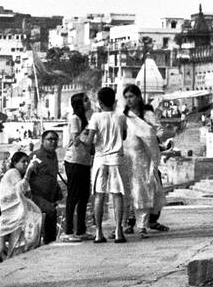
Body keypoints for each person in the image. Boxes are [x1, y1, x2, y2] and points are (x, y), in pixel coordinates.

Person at [120, 84, 165, 236]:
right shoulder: (124, 116)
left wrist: (150, 137)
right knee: (128, 191)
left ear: (138, 97)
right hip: (127, 157)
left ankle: (143, 226)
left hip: (143, 158)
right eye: (126, 97)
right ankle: (128, 223)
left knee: (143, 190)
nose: (128, 100)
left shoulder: (147, 114)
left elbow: (159, 131)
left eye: (131, 96)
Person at [88, 87, 128, 243]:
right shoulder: (121, 117)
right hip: (116, 159)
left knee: (99, 195)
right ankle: (118, 230)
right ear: (114, 101)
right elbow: (123, 136)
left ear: (99, 102)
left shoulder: (96, 117)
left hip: (100, 159)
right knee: (117, 194)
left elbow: (90, 140)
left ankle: (98, 232)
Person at [62, 93, 94, 241]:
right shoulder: (75, 119)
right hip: (74, 161)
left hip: (84, 161)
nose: (89, 102)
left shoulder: (85, 119)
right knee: (73, 196)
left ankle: (81, 229)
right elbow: (75, 140)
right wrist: (88, 134)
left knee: (84, 196)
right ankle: (68, 231)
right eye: (85, 100)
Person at [25, 129, 64, 246]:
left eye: (55, 139)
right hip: (35, 195)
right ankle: (48, 243)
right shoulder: (35, 155)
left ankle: (49, 242)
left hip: (49, 195)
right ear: (42, 141)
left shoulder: (54, 155)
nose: (53, 142)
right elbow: (25, 175)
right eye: (49, 139)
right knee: (51, 211)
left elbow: (52, 175)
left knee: (51, 214)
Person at [0, 151, 34, 260]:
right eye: (23, 162)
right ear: (15, 163)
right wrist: (29, 171)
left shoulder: (18, 175)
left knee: (15, 247)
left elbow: (26, 193)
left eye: (27, 162)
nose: (26, 164)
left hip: (15, 215)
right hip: (6, 213)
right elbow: (21, 188)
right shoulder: (13, 172)